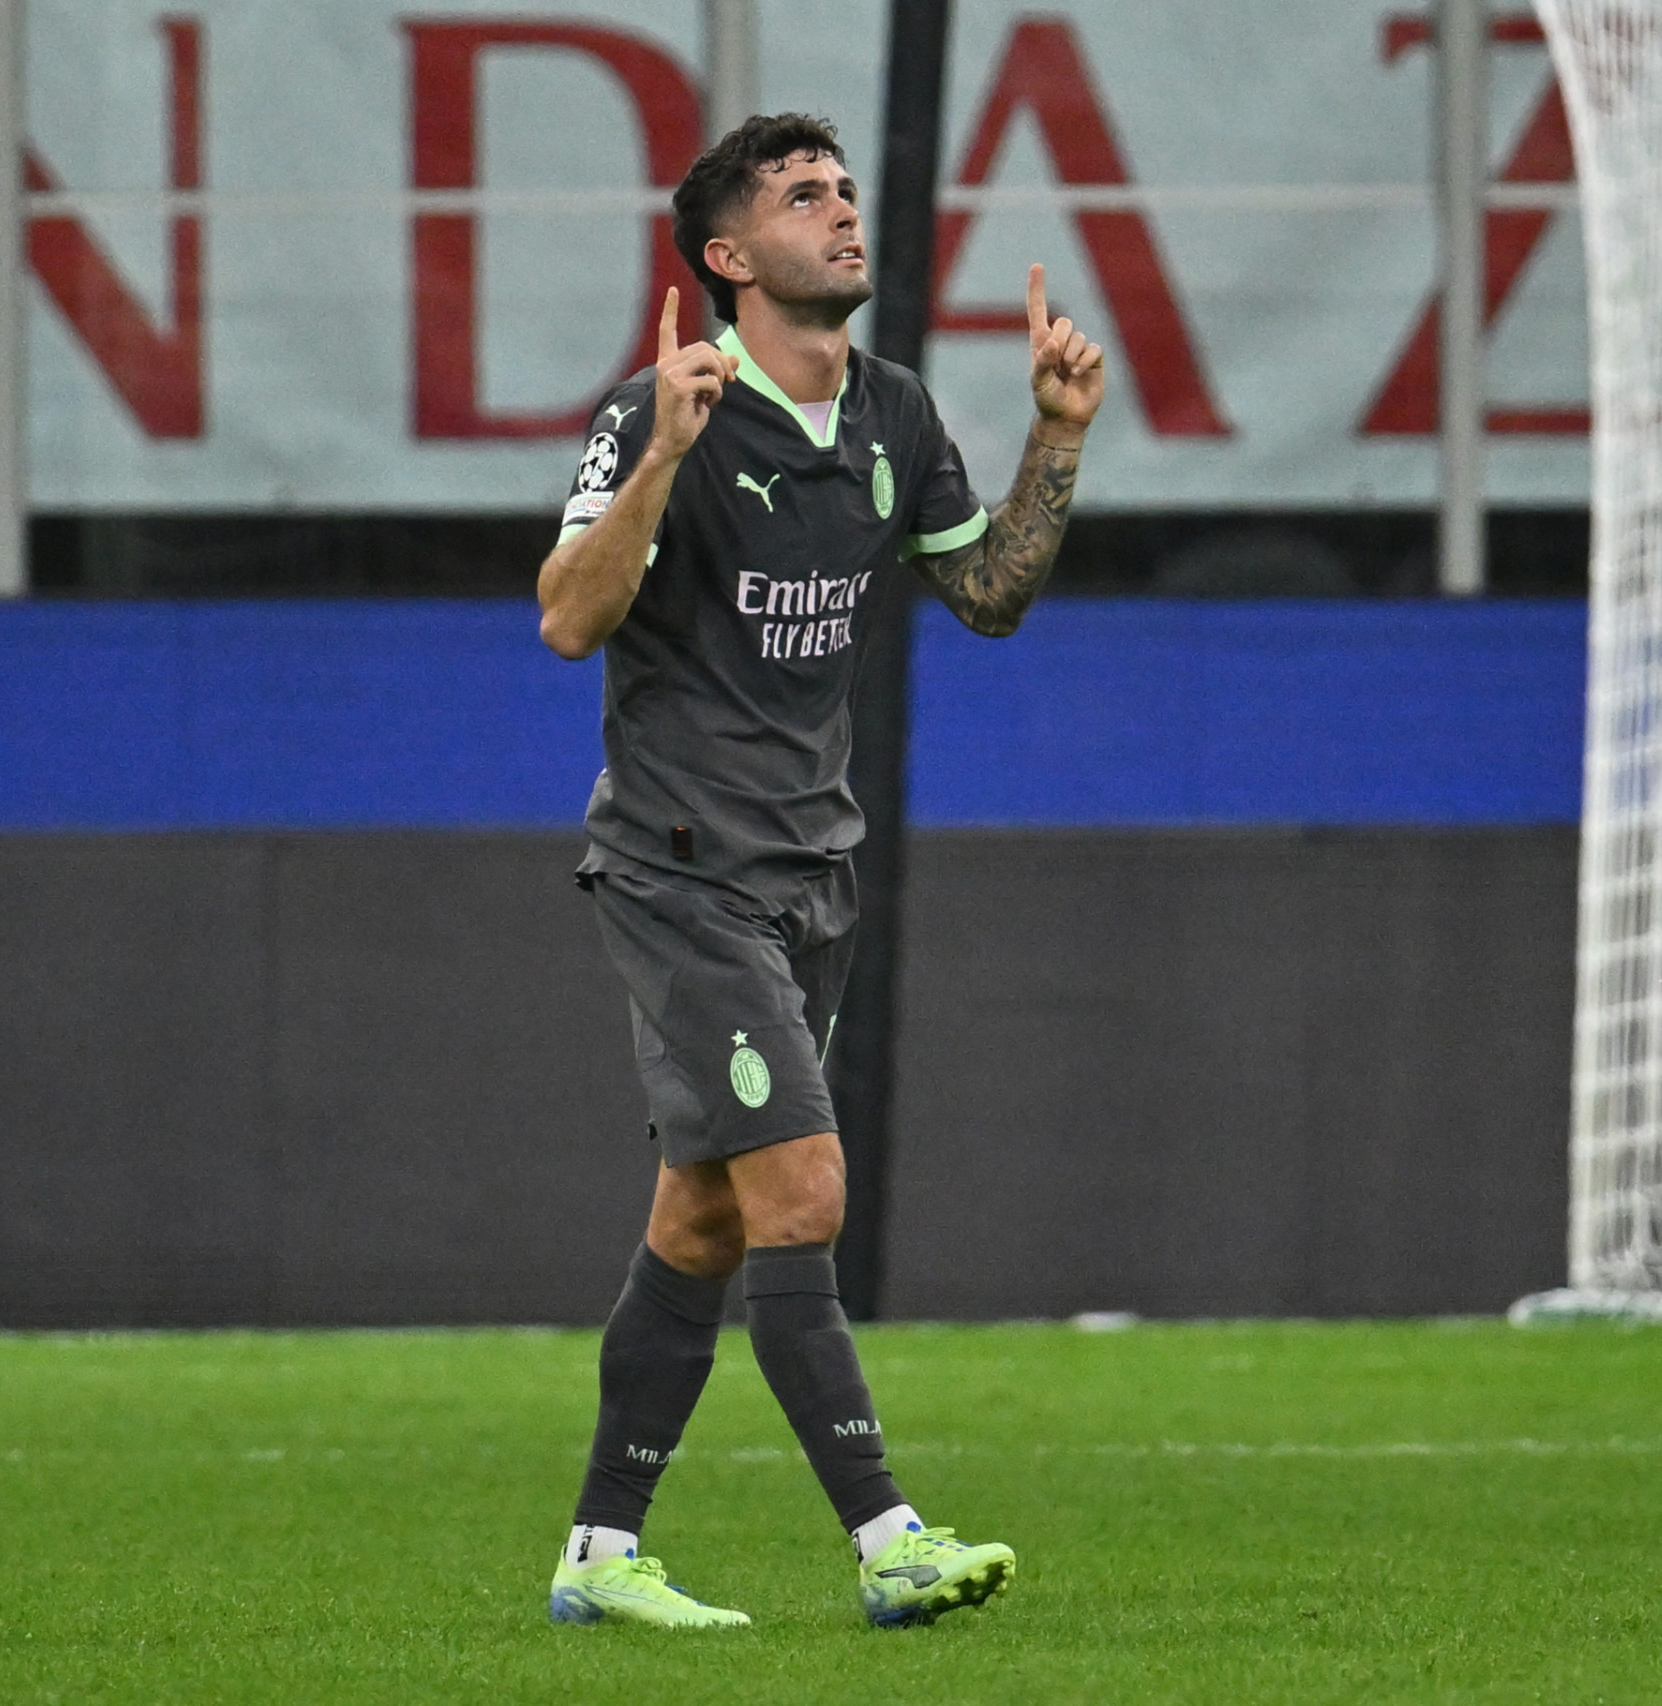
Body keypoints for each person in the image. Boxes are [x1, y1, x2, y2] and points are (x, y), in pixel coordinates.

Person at [532, 112, 1103, 1631]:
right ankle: (888, 1537)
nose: (844, 213)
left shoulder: (894, 412)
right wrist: (661, 449)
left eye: (847, 191)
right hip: (681, 866)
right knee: (804, 1184)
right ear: (730, 257)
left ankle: (600, 1555)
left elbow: (986, 594)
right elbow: (568, 619)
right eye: (804, 198)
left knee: (704, 1223)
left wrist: (1057, 431)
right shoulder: (662, 413)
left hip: (811, 873)